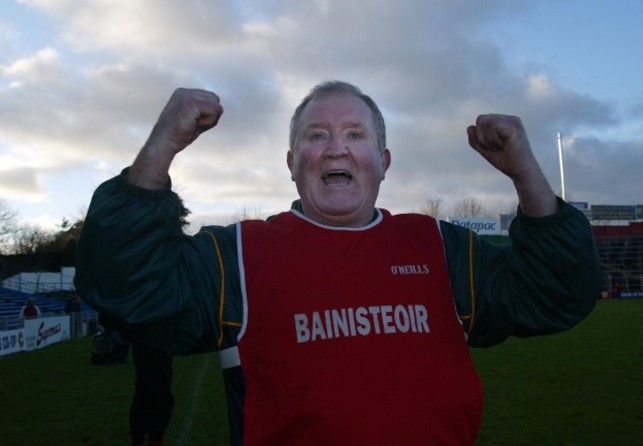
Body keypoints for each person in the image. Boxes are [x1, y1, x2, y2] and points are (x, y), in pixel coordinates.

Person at [75, 81, 601, 445]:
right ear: (291, 163)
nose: (335, 150)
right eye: (316, 135)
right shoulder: (237, 254)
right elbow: (125, 286)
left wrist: (524, 172)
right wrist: (163, 143)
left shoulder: (439, 247)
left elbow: (555, 295)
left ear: (383, 162)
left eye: (355, 134)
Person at [129, 342, 174, 446]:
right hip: (158, 344)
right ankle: (153, 437)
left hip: (145, 343)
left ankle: (140, 436)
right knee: (158, 392)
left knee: (144, 390)